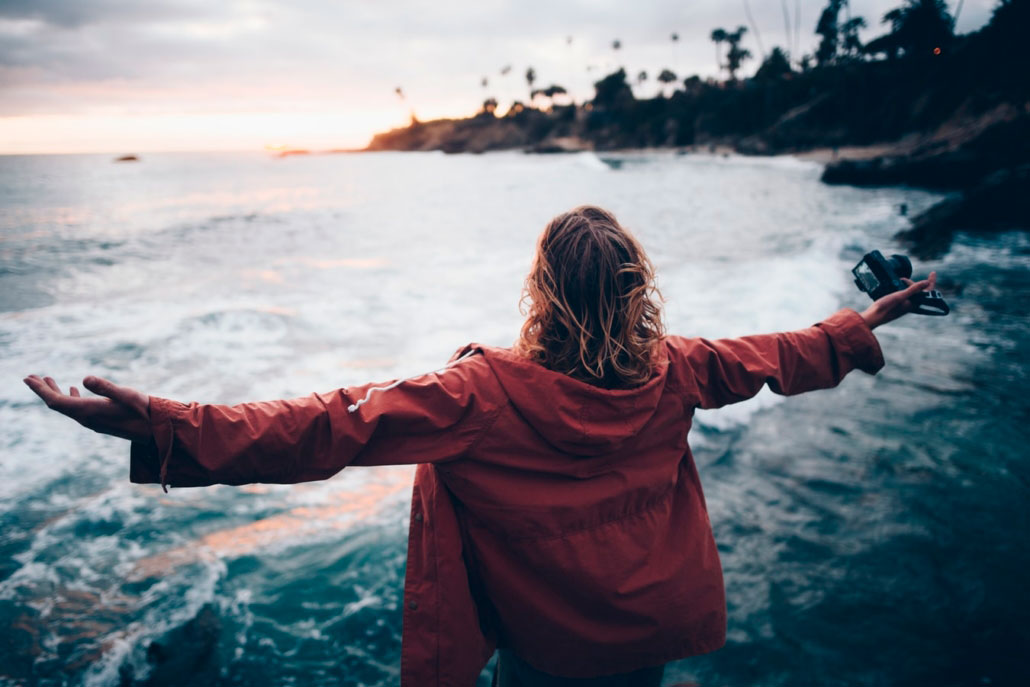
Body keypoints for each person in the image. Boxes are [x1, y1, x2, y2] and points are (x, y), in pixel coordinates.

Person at [24, 205, 937, 687]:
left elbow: (323, 425)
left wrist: (164, 424)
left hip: (551, 645)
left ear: (540, 291)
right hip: (654, 622)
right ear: (635, 292)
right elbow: (779, 354)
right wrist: (865, 321)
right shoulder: (678, 368)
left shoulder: (479, 395)